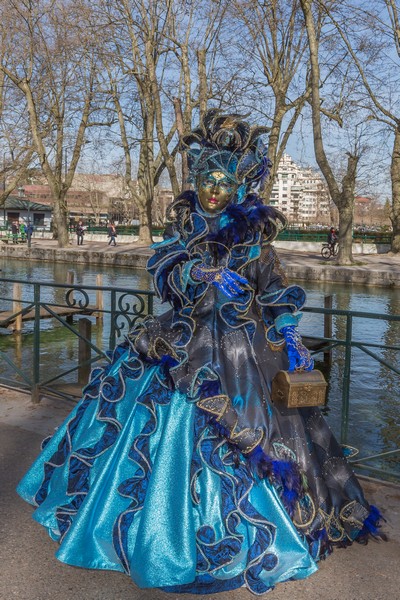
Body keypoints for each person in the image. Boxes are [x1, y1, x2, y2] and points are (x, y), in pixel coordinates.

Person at [17, 111, 383, 596]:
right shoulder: (182, 236)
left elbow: (275, 294)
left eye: (224, 182)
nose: (214, 189)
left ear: (238, 188)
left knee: (272, 436)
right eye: (206, 179)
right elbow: (167, 275)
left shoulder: (257, 245)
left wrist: (291, 335)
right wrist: (205, 274)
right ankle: (154, 532)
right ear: (195, 181)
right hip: (183, 345)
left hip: (248, 355)